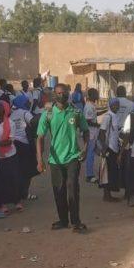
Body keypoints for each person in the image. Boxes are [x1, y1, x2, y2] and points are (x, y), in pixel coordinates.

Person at [36, 84, 89, 232]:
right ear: (54, 95)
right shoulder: (48, 114)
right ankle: (63, 220)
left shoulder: (76, 112)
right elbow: (39, 138)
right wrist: (39, 160)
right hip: (55, 160)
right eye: (58, 93)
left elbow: (86, 131)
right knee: (58, 191)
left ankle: (76, 221)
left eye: (64, 93)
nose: (61, 95)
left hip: (73, 157)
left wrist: (84, 149)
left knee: (72, 188)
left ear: (68, 93)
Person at [10, 94, 39, 204]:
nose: (29, 104)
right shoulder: (25, 113)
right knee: (28, 171)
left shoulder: (12, 114)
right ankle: (24, 193)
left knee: (18, 170)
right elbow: (33, 123)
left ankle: (17, 193)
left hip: (14, 145)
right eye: (27, 102)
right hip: (25, 144)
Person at [97, 98, 122, 202]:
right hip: (109, 148)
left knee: (112, 171)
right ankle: (106, 195)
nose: (118, 106)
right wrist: (103, 147)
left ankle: (109, 194)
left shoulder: (116, 116)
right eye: (116, 105)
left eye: (118, 105)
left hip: (114, 147)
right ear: (111, 106)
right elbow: (102, 132)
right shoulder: (108, 117)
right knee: (107, 172)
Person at [83, 88, 100, 183]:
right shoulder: (89, 106)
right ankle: (89, 175)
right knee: (90, 154)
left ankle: (90, 173)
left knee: (92, 154)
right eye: (96, 94)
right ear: (92, 95)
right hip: (90, 133)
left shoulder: (91, 105)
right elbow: (87, 121)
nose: (97, 96)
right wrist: (98, 125)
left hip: (93, 133)